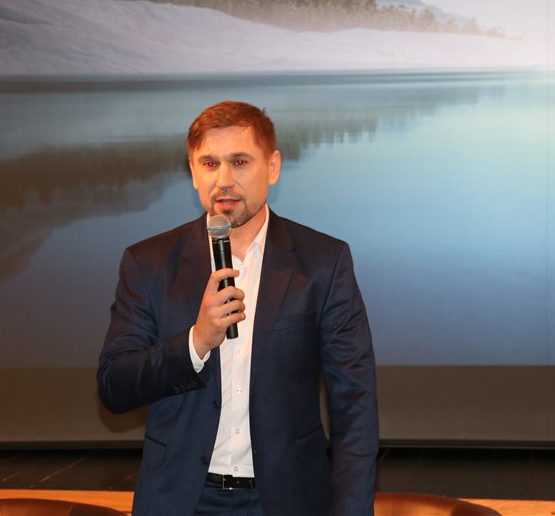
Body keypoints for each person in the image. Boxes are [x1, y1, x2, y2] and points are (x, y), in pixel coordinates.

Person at [97, 101, 379, 516]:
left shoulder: (323, 263)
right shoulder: (149, 264)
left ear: (272, 167)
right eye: (209, 163)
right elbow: (114, 386)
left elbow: (355, 405)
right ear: (193, 171)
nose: (223, 180)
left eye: (240, 162)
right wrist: (196, 342)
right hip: (181, 500)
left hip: (287, 500)